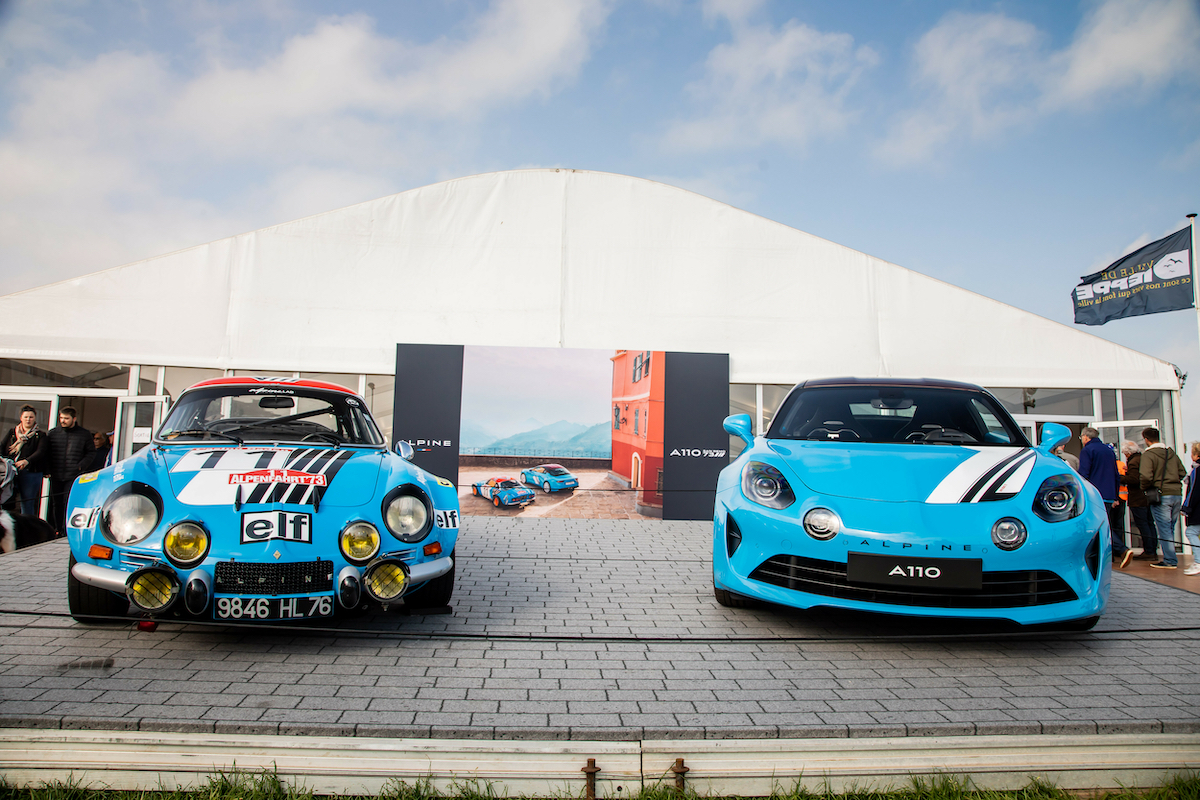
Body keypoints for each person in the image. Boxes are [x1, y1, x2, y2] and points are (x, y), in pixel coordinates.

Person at [1078, 427, 1128, 568]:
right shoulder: (1109, 451)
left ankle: (1121, 550)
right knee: (1104, 524)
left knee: (1099, 526)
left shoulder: (1088, 450)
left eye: (1081, 437)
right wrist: (1116, 495)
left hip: (1095, 495)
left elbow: (1084, 474)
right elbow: (1116, 475)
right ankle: (1110, 555)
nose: (1082, 440)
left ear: (1086, 437)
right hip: (1109, 494)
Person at [1139, 426, 1186, 570]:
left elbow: (1146, 476)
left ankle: (1170, 560)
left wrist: (1145, 487)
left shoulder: (1148, 455)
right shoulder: (1170, 453)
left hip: (1161, 495)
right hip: (1176, 493)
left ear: (1146, 439)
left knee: (1164, 529)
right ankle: (1170, 557)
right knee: (1170, 527)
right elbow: (1182, 472)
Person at [45, 406, 94, 535]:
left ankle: (67, 529)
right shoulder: (53, 433)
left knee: (69, 501)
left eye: (66, 418)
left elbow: (91, 453)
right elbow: (47, 453)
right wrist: (48, 469)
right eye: (61, 418)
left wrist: (80, 466)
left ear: (74, 418)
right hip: (56, 473)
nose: (63, 421)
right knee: (57, 503)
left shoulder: (84, 434)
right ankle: (58, 529)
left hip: (73, 474)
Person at [2, 405, 47, 517]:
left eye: (31, 417)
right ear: (21, 418)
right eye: (26, 417)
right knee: (7, 501)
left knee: (27, 503)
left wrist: (26, 461)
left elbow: (41, 452)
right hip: (12, 471)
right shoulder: (12, 432)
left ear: (35, 418)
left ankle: (28, 529)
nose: (28, 419)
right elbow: (2, 448)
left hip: (30, 473)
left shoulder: (39, 435)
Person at [1121, 440, 1159, 561]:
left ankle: (1149, 551)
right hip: (1147, 497)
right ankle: (1152, 550)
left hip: (1138, 498)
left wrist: (1120, 477)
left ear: (1128, 452)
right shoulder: (1141, 458)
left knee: (1143, 525)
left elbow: (1134, 479)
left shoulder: (1133, 462)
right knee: (1149, 523)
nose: (1124, 455)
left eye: (1124, 453)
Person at [1182, 442, 1200, 576]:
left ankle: (1199, 562)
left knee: (1191, 532)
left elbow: (1193, 491)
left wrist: (1186, 508)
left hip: (1198, 508)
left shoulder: (1196, 469)